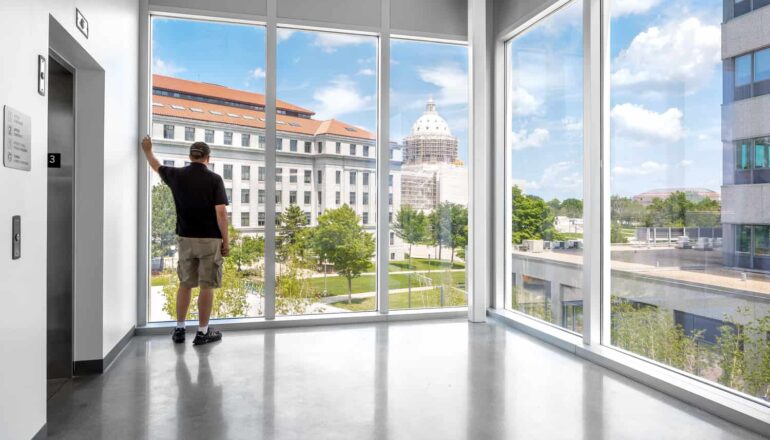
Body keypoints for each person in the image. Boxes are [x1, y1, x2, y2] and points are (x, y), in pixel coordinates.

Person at [141, 135, 228, 345]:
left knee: (185, 284)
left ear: (190, 156)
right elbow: (221, 213)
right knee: (206, 286)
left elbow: (156, 165)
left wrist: (147, 150)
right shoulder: (215, 179)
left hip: (185, 238)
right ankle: (202, 332)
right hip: (209, 240)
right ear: (208, 158)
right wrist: (226, 240)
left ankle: (179, 329)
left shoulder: (176, 175)